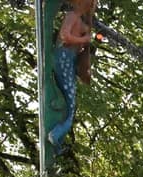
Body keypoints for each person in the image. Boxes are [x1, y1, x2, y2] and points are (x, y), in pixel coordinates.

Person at [48, 0, 94, 153]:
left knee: (71, 104)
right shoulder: (72, 15)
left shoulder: (80, 20)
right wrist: (83, 39)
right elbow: (65, 36)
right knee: (70, 103)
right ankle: (56, 134)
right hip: (64, 58)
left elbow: (80, 43)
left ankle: (58, 138)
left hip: (71, 59)